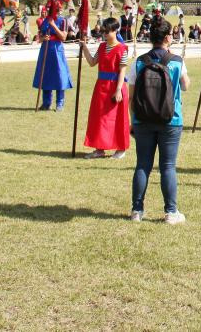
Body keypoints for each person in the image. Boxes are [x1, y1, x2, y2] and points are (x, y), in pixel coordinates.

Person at [130, 17, 189, 224]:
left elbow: (132, 95)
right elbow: (185, 86)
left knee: (142, 165)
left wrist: (133, 120)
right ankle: (171, 212)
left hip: (142, 119)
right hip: (170, 120)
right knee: (168, 166)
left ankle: (137, 210)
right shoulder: (176, 61)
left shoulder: (139, 61)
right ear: (167, 37)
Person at [78, 17, 130, 159]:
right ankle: (99, 149)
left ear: (115, 31)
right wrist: (84, 48)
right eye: (103, 32)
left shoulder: (122, 49)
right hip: (101, 87)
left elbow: (122, 71)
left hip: (115, 86)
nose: (104, 34)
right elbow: (92, 62)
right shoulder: (102, 47)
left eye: (107, 32)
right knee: (99, 117)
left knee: (117, 118)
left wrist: (118, 89)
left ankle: (121, 148)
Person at [33, 0, 73, 112]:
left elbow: (63, 37)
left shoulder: (63, 20)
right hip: (45, 50)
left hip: (57, 50)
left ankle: (60, 103)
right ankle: (46, 103)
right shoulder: (44, 21)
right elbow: (39, 38)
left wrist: (53, 25)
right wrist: (42, 39)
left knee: (59, 75)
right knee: (46, 76)